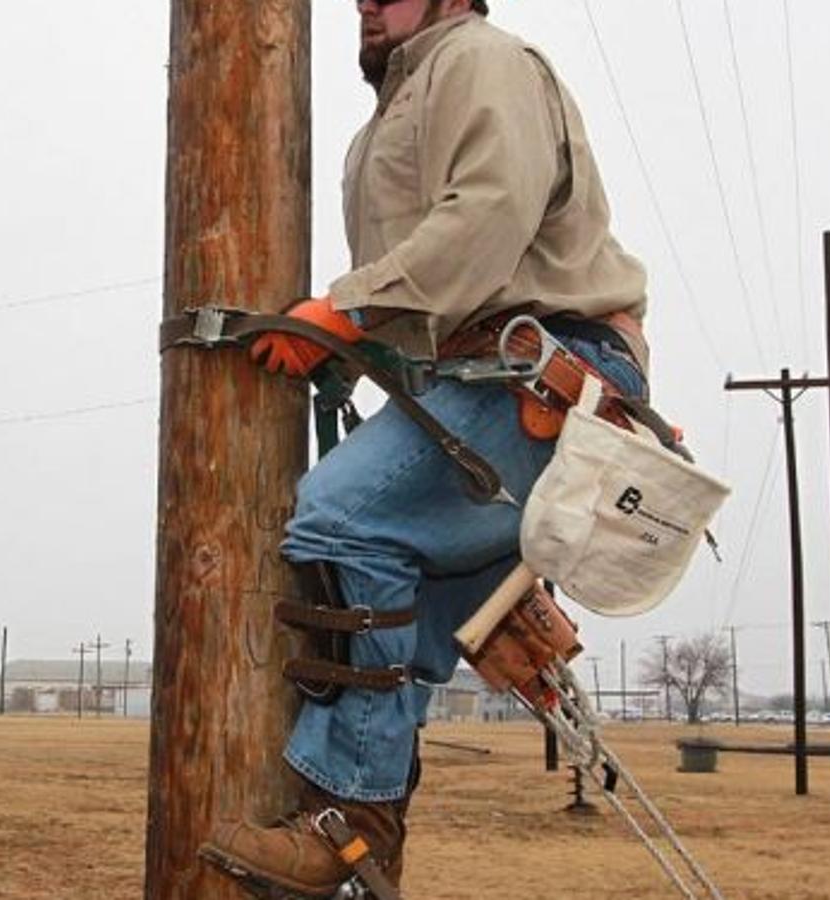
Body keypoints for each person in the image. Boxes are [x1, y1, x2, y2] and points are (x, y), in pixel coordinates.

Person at [204, 0, 650, 894]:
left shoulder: (480, 58)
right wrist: (348, 341)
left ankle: (349, 821)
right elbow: (436, 293)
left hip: (547, 370)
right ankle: (367, 861)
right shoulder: (389, 118)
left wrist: (350, 309)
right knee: (390, 658)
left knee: (344, 523)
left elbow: (489, 214)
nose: (367, 0)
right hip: (469, 383)